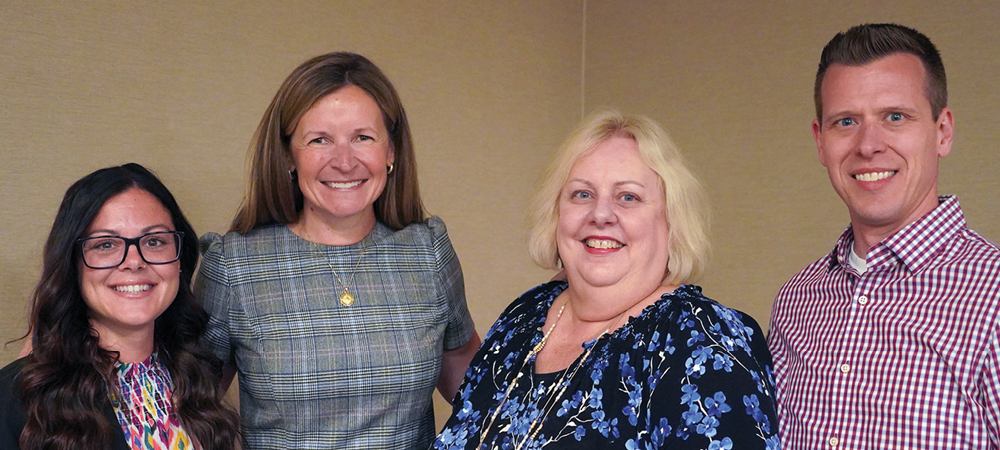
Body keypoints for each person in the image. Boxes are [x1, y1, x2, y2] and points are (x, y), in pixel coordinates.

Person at [433, 111, 779, 450]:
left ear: (672, 221)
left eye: (628, 197)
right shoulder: (525, 316)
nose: (600, 215)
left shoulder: (705, 341)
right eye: (582, 194)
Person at [195, 52, 480, 450]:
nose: (344, 162)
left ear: (391, 151)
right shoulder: (234, 264)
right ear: (288, 157)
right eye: (319, 140)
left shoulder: (427, 251)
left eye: (363, 137)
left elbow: (478, 386)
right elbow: (192, 410)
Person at [768, 23, 1000, 449]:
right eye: (846, 121)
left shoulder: (994, 296)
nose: (868, 144)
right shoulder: (794, 302)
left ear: (943, 131)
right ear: (821, 142)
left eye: (895, 116)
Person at [0, 164, 241, 450]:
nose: (134, 261)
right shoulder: (16, 396)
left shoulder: (196, 378)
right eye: (105, 244)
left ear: (179, 261)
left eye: (154, 241)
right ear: (72, 263)